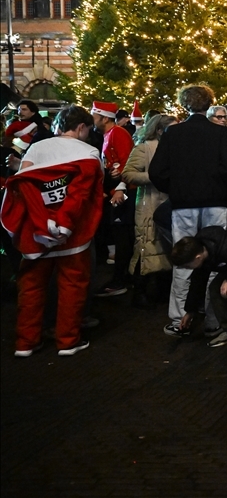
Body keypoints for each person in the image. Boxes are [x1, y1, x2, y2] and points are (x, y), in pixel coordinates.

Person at [2, 105, 104, 357]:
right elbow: (83, 195)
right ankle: (67, 340)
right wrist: (64, 222)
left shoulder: (36, 148)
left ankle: (26, 341)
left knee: (31, 286)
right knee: (72, 284)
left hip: (35, 229)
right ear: (81, 127)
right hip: (73, 232)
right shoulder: (89, 152)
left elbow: (25, 187)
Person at [149, 84, 227, 337]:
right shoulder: (220, 133)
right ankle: (213, 320)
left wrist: (175, 188)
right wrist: (219, 185)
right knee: (214, 258)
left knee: (184, 259)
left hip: (184, 203)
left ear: (185, 105)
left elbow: (157, 171)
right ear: (209, 104)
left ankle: (178, 319)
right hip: (214, 202)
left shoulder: (173, 134)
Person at [121, 113, 177, 309]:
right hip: (150, 202)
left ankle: (161, 291)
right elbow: (128, 173)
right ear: (160, 130)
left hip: (169, 202)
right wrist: (155, 177)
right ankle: (140, 290)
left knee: (166, 248)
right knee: (146, 246)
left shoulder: (175, 147)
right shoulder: (144, 148)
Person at [91, 100, 136, 297]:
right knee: (120, 234)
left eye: (94, 116)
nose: (92, 120)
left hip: (123, 191)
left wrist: (120, 188)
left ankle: (122, 279)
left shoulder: (117, 133)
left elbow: (127, 161)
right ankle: (123, 277)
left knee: (123, 235)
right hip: (117, 190)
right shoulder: (110, 134)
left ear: (103, 117)